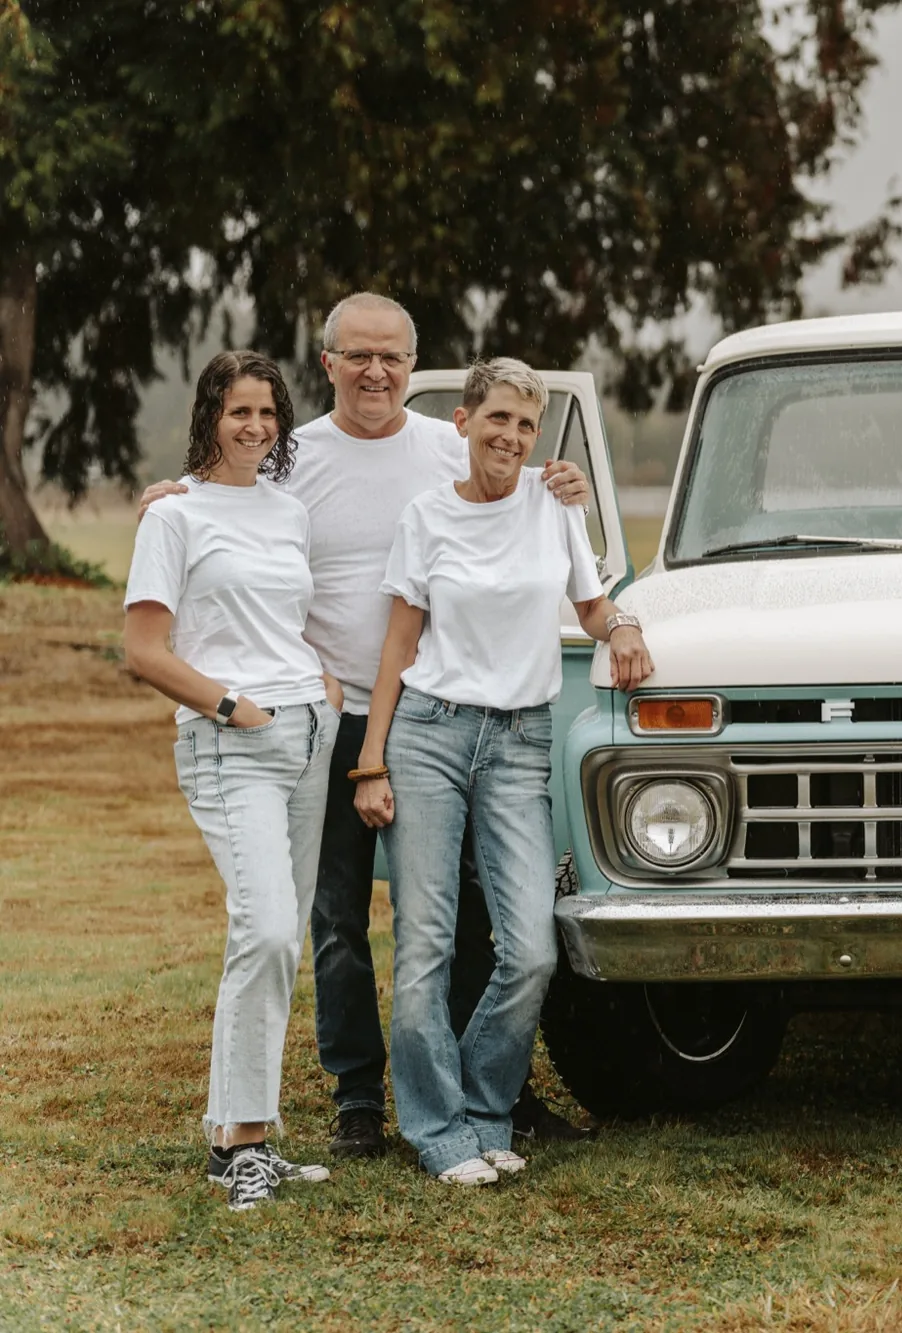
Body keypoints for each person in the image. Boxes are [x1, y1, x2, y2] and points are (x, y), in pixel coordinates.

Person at [140, 292, 593, 1158]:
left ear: (413, 368)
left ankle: (492, 1089)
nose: (376, 372)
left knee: (468, 911)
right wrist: (171, 492)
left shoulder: (445, 445)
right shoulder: (293, 455)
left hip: (433, 716)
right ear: (329, 363)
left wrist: (560, 480)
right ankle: (357, 1094)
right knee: (338, 916)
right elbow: (223, 499)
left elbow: (510, 480)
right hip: (327, 714)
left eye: (392, 357)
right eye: (359, 355)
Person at [351, 358, 653, 1183]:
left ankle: (485, 1109)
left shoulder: (554, 508)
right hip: (429, 735)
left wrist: (624, 626)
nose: (511, 437)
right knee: (426, 943)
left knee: (532, 947)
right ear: (464, 422)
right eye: (497, 419)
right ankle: (438, 1129)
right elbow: (400, 643)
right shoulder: (426, 517)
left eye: (525, 424)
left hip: (521, 741)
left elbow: (592, 606)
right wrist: (371, 760)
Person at [123, 352, 342, 1210]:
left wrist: (320, 688)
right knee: (269, 928)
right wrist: (229, 705)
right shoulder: (173, 515)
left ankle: (241, 1139)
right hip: (230, 740)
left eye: (267, 412)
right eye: (238, 410)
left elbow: (284, 618)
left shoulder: (288, 511)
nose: (255, 426)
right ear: (209, 416)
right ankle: (242, 1142)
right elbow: (144, 651)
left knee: (275, 940)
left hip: (308, 735)